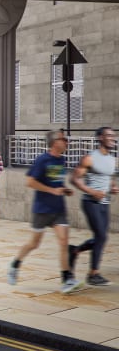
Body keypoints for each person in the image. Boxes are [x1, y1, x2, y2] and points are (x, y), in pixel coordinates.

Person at [7, 130, 82, 294]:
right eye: (64, 139)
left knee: (63, 242)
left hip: (58, 209)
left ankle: (67, 279)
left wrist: (64, 190)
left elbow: (56, 182)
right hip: (42, 209)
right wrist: (51, 190)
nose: (67, 141)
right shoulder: (42, 160)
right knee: (34, 244)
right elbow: (30, 181)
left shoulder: (61, 159)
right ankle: (15, 264)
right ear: (55, 142)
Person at [68, 126, 119, 286]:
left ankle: (74, 251)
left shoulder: (112, 159)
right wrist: (91, 191)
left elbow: (107, 177)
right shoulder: (89, 158)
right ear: (100, 138)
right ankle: (93, 273)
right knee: (102, 237)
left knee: (101, 237)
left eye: (113, 135)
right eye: (108, 135)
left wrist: (112, 187)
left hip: (104, 203)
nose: (113, 138)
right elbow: (74, 179)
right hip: (90, 202)